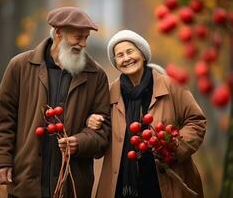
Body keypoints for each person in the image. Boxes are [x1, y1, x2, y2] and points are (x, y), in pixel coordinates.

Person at [0, 6, 111, 198]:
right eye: (77, 37)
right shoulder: (20, 66)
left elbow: (104, 129)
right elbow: (3, 118)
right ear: (58, 33)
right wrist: (1, 160)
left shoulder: (96, 76)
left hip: (73, 184)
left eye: (86, 38)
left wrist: (80, 142)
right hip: (25, 181)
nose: (83, 44)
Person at [87, 30, 206, 198]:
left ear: (142, 54)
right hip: (121, 185)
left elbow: (196, 121)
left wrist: (174, 148)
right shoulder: (110, 93)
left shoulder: (170, 85)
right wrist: (92, 122)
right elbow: (102, 134)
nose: (126, 58)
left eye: (130, 51)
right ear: (116, 62)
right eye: (119, 55)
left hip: (164, 180)